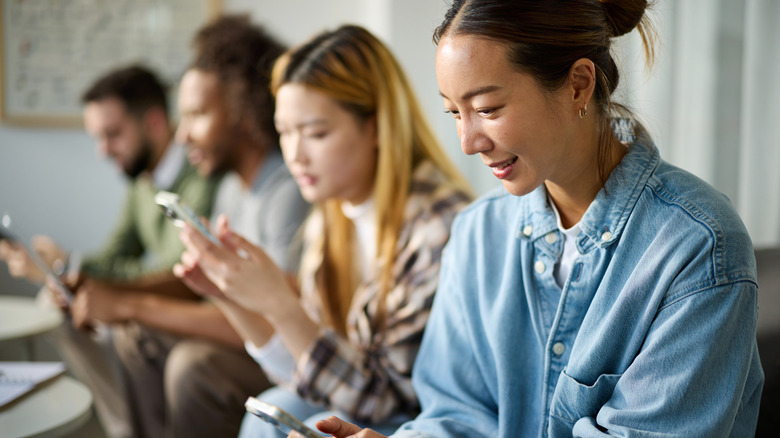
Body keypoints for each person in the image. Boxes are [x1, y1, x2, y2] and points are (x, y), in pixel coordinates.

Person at [318, 1, 765, 437]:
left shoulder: (698, 245)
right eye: (455, 113)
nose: (468, 143)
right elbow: (455, 414)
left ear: (578, 84)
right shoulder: (477, 234)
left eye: (488, 109)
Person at [173, 24, 473, 437]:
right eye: (285, 133)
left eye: (315, 133)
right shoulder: (331, 219)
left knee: (312, 425)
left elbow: (383, 399)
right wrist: (229, 295)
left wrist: (279, 301)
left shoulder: (438, 226)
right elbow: (306, 374)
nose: (294, 155)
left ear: (376, 127)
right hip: (365, 400)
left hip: (421, 421)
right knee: (271, 410)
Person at [94, 15, 310, 438]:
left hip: (283, 353)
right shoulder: (230, 187)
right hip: (253, 341)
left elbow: (279, 318)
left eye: (196, 115)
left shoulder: (287, 192)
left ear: (244, 111)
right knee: (136, 339)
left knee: (191, 367)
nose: (181, 134)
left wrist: (131, 303)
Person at [0, 65, 220, 438]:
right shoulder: (142, 182)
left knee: (115, 329)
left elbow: (178, 274)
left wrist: (71, 267)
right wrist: (63, 268)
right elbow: (117, 253)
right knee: (58, 305)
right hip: (163, 304)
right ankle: (124, 428)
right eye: (98, 138)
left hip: (194, 315)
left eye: (112, 135)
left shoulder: (200, 179)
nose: (103, 151)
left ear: (153, 122)